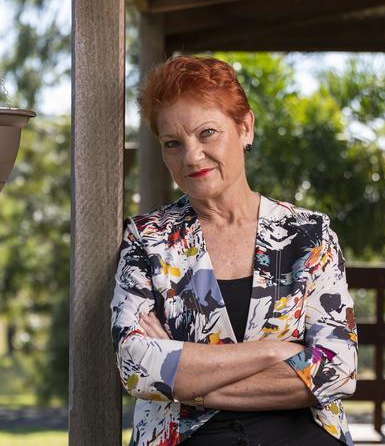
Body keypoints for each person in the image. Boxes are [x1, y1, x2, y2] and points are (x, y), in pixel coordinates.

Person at [110, 56, 358, 446]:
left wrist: (184, 382)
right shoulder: (147, 239)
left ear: (245, 127)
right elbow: (136, 365)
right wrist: (271, 353)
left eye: (207, 133)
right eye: (173, 143)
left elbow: (337, 369)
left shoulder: (309, 235)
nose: (191, 156)